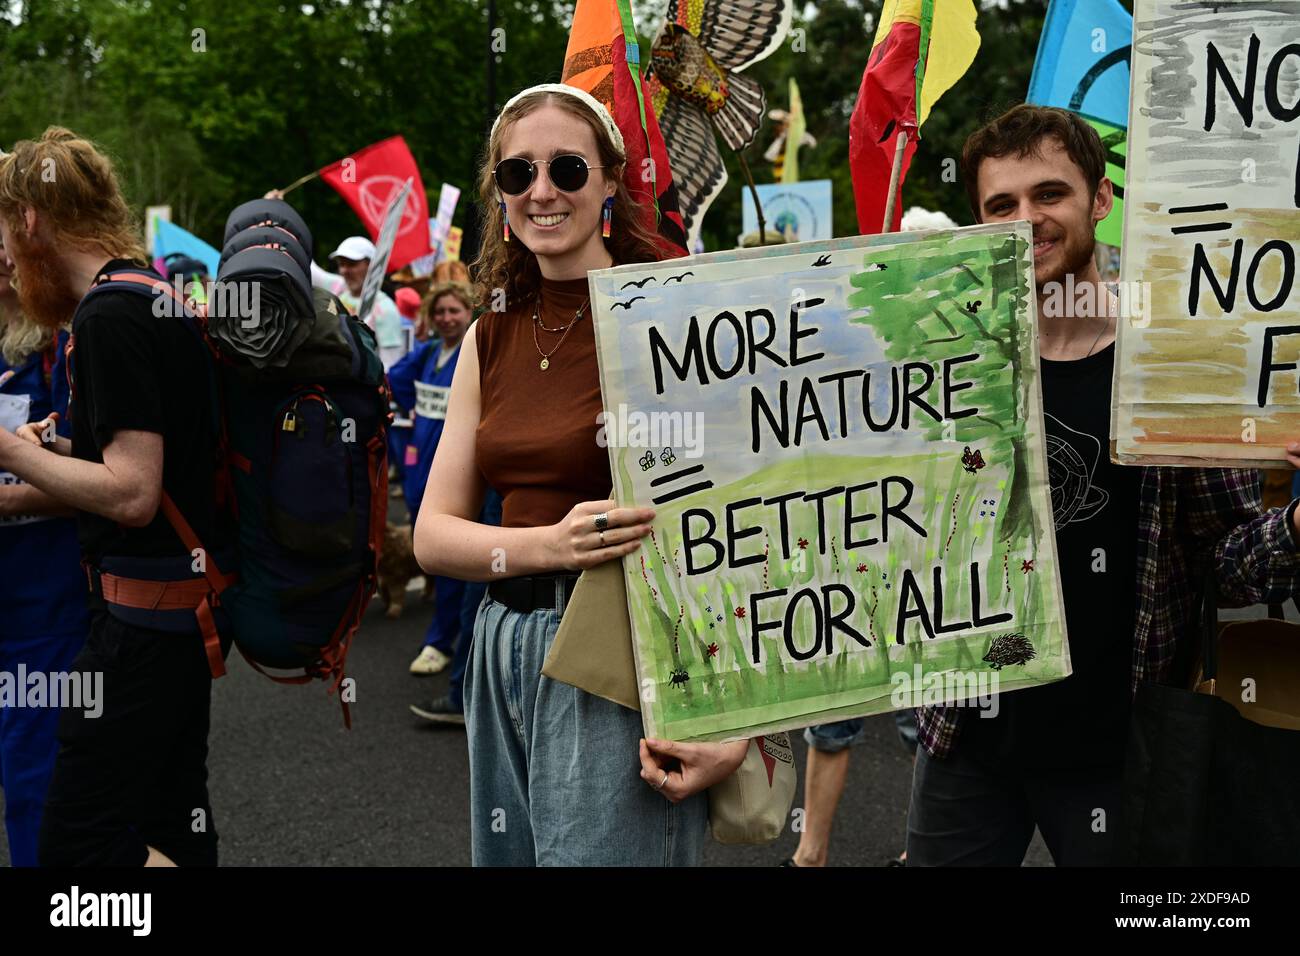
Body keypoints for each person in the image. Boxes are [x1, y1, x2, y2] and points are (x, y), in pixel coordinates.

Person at [905, 104, 1300, 867]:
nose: (1028, 219)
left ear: (1101, 199)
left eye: (1049, 194)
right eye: (1002, 205)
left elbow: (1231, 560)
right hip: (964, 739)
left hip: (1122, 753)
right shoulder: (946, 368)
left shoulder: (1170, 369)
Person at [414, 84, 748, 865]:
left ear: (609, 183)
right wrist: (549, 547)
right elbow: (431, 535)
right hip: (499, 648)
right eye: (516, 173)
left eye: (567, 168)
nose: (542, 191)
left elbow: (739, 531)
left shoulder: (669, 317)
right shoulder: (488, 332)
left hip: (621, 648)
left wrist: (739, 721)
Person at [0, 127, 226, 867]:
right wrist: (53, 452)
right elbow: (151, 457)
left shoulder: (107, 315)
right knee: (171, 826)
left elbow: (132, 493)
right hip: (175, 622)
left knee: (75, 842)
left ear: (31, 220)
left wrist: (7, 453)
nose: (4, 256)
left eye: (4, 232)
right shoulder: (145, 290)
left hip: (139, 631)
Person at [783, 207, 955, 870]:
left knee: (929, 727)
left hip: (926, 566)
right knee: (830, 718)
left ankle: (923, 847)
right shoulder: (851, 342)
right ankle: (810, 854)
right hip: (848, 560)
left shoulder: (959, 353)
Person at [0, 231, 88, 866]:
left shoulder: (70, 344)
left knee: (37, 786)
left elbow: (113, 486)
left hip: (44, 612)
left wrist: (13, 493)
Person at [390, 281, 473, 679]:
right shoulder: (428, 353)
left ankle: (442, 639)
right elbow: (394, 379)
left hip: (454, 469)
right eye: (439, 312)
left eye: (454, 310)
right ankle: (447, 632)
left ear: (469, 312)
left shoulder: (474, 352)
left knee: (453, 560)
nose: (446, 318)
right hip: (420, 463)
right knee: (433, 554)